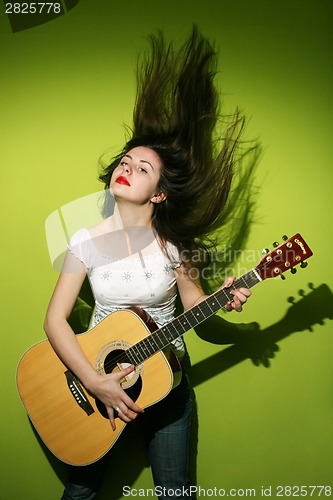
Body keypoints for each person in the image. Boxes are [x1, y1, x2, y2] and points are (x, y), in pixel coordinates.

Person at [44, 26, 253, 500]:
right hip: (93, 381)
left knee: (175, 493)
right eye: (126, 159)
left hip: (166, 383)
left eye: (143, 168)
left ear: (158, 193)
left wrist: (226, 298)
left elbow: (195, 305)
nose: (127, 167)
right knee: (79, 494)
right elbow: (55, 320)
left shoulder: (177, 246)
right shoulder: (84, 240)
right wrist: (95, 381)